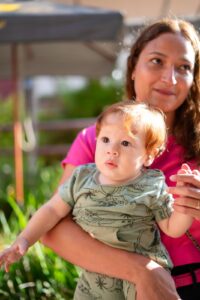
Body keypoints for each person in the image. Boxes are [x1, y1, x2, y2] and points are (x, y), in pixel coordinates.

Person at [0, 101, 195, 300]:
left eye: (125, 143)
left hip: (142, 282)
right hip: (96, 280)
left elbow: (172, 227)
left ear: (148, 156)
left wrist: (186, 205)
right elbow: (52, 210)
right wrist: (24, 240)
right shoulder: (82, 178)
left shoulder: (151, 185)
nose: (112, 150)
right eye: (105, 139)